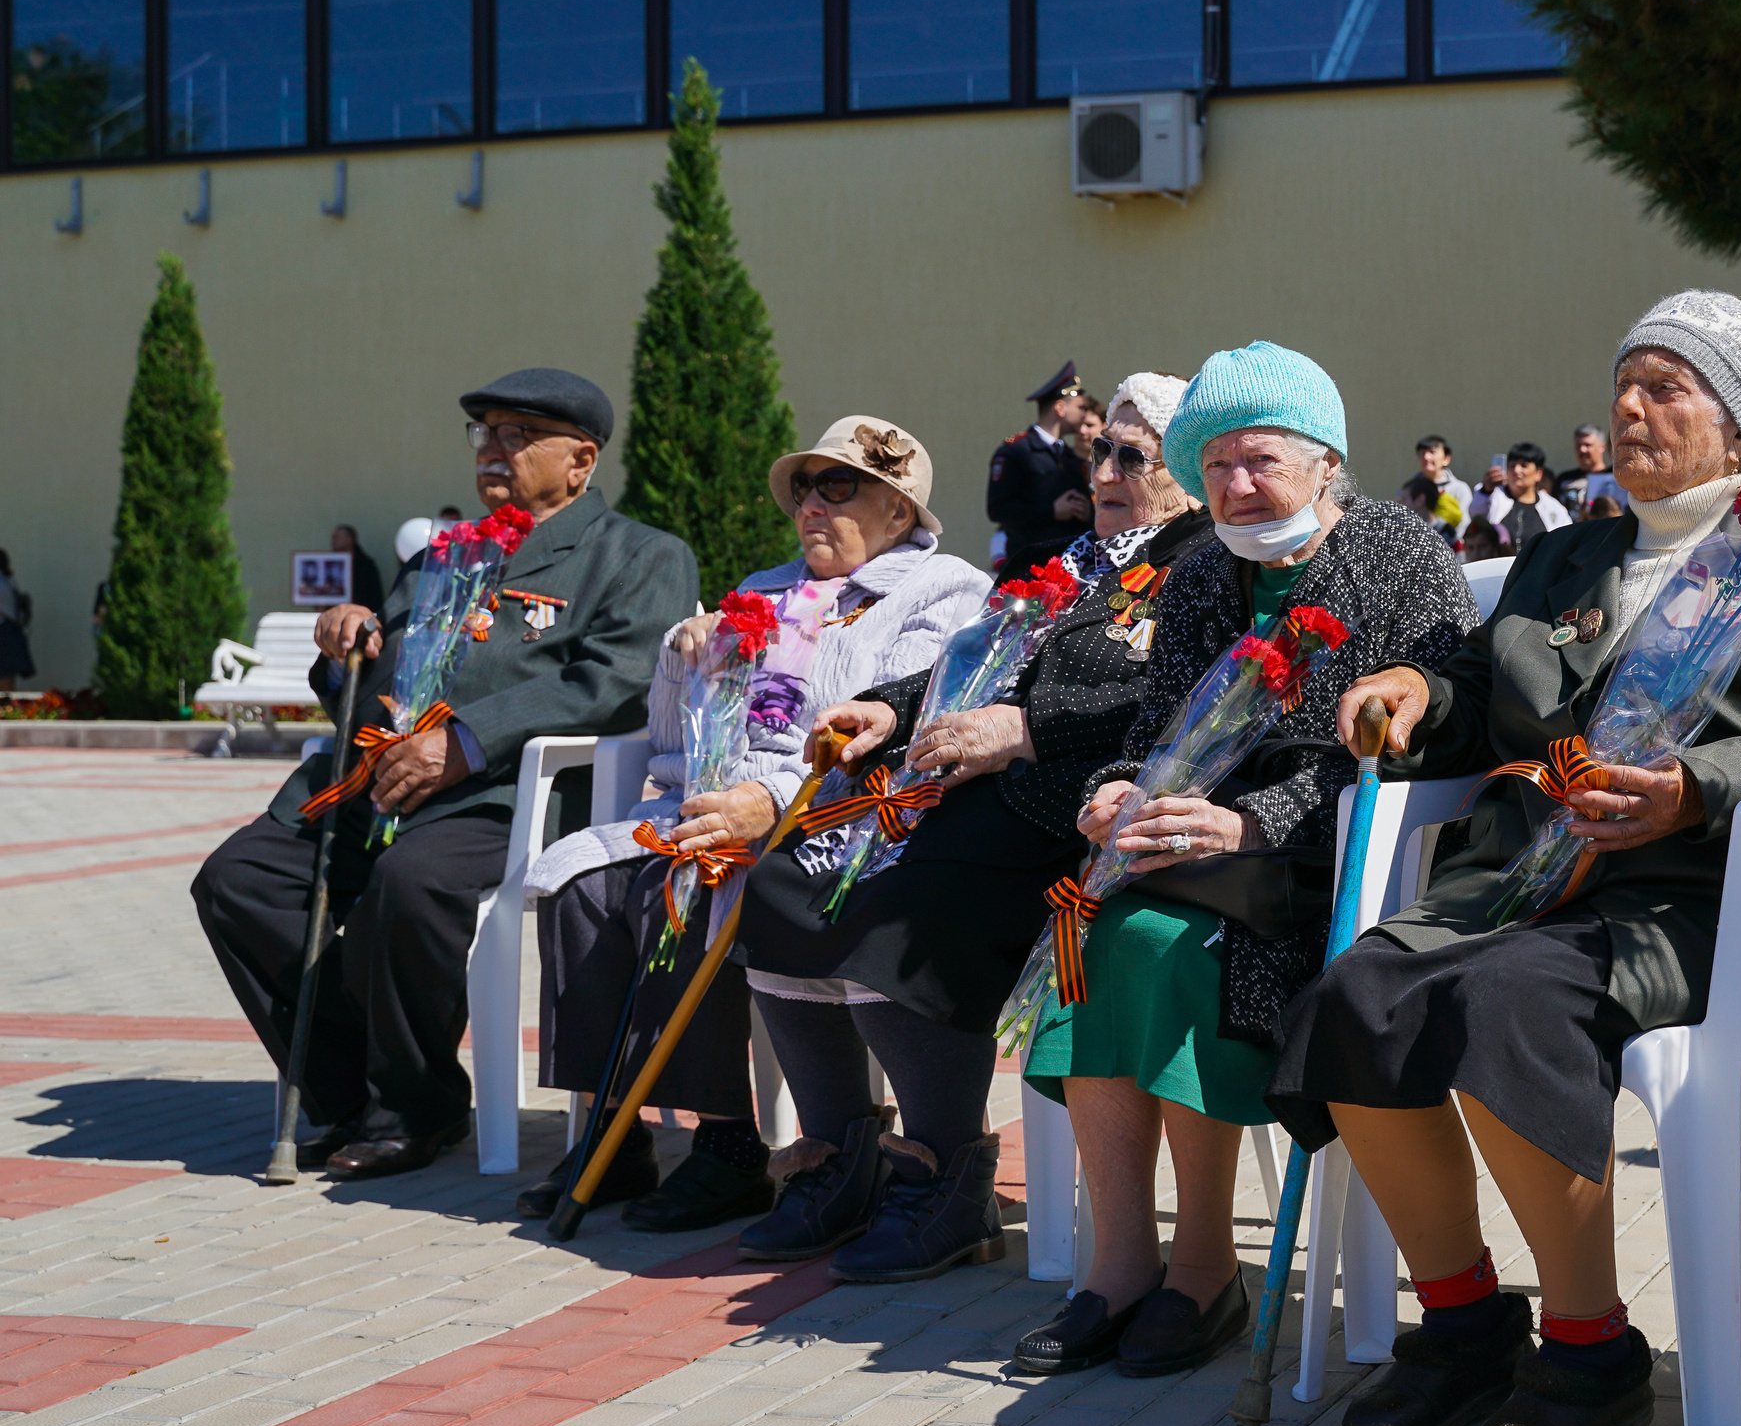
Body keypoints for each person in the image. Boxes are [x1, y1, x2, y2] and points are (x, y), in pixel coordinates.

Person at [1272, 290, 1741, 1426]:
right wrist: (1419, 692)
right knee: (1356, 994)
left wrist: (1701, 783)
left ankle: (1588, 1354)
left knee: (1509, 1005)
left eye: (1667, 387)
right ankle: (1467, 1322)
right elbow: (1483, 688)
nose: (1627, 407)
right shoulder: (1568, 550)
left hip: (1708, 901)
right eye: (1622, 384)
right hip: (1526, 882)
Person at [1012, 342, 1477, 1379]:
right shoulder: (1204, 573)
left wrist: (1256, 822)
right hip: (1194, 852)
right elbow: (1159, 722)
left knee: (1169, 942)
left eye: (1260, 459)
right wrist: (1119, 789)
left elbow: (1426, 745)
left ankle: (1203, 1268)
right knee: (1089, 930)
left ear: (1325, 461)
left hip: (1342, 867)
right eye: (1215, 464)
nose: (1235, 483)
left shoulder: (1399, 553)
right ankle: (1118, 1267)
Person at [732, 373, 1215, 1279]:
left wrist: (1028, 730)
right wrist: (885, 708)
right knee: (777, 886)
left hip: (1069, 809)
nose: (1102, 469)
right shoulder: (1077, 561)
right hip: (967, 790)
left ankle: (948, 1171)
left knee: (907, 908)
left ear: (1184, 471)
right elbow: (976, 662)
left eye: (1130, 455)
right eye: (1096, 450)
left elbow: (1171, 703)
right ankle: (842, 1160)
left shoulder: (1201, 563)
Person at [193, 369, 699, 1179]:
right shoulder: (444, 555)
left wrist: (465, 742)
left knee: (410, 886)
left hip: (503, 795)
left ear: (581, 460)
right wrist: (348, 648)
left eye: (518, 436)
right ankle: (349, 1087)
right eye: (485, 434)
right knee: (237, 880)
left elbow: (618, 682)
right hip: (374, 784)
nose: (493, 451)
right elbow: (376, 678)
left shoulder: (638, 555)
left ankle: (412, 1109)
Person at [512, 416, 987, 1230]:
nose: (811, 504)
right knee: (583, 885)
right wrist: (681, 652)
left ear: (898, 512)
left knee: (686, 889)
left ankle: (727, 1145)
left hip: (835, 816)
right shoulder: (762, 591)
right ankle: (611, 1130)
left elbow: (892, 726)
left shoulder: (945, 592)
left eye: (838, 486)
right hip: (705, 803)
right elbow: (673, 737)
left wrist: (765, 801)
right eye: (803, 486)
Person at [987, 363, 1092, 573]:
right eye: (1080, 407)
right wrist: (1052, 511)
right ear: (1060, 408)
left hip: (1070, 569)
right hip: (1028, 571)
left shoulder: (1070, 456)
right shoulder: (1015, 451)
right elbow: (998, 510)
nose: (1084, 415)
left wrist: (1089, 512)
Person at [1471, 443, 1571, 544]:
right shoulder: (1494, 496)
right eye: (1512, 465)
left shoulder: (1553, 507)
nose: (1516, 470)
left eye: (1524, 465)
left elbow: (1565, 541)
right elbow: (1476, 515)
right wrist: (1486, 490)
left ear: (1538, 474)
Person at [1554, 425, 1620, 515]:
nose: (1582, 450)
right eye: (1578, 445)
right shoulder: (1564, 479)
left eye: (1588, 445)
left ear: (1602, 446)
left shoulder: (1615, 476)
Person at [332, 525, 385, 612]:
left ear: (349, 539)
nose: (333, 540)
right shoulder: (330, 566)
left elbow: (375, 596)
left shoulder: (365, 566)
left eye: (337, 537)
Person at [0, 552, 31, 691]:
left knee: (4, 681)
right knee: (7, 680)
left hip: (3, 632)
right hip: (10, 632)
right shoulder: (9, 580)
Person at [1415, 435, 1461, 506]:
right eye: (1422, 453)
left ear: (1446, 459)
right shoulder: (1410, 489)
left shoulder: (1459, 489)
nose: (1426, 457)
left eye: (1432, 452)